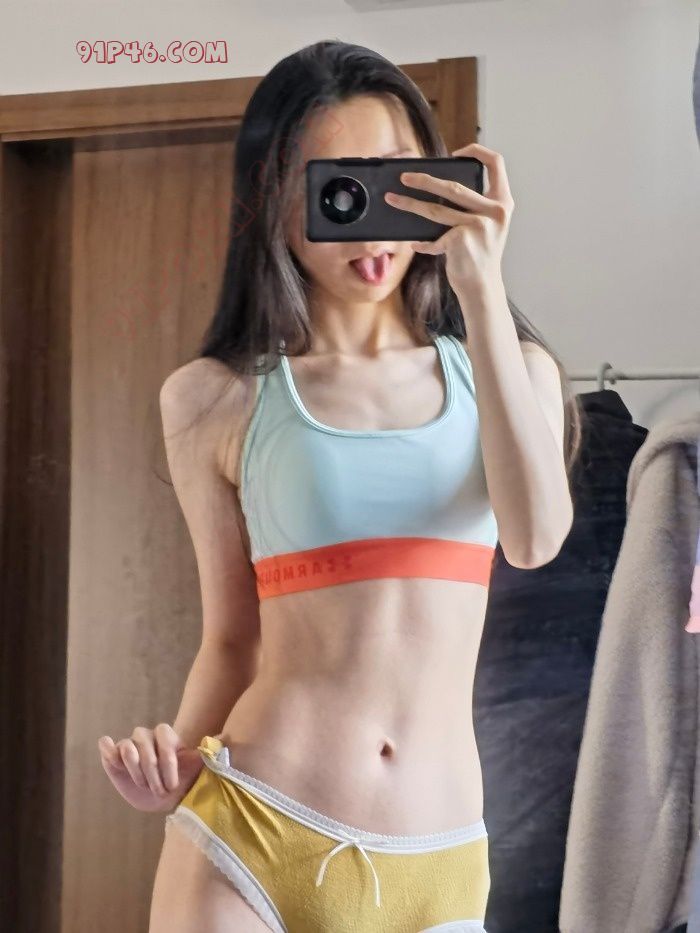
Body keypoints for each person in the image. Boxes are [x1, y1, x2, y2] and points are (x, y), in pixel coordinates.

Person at [98, 40, 580, 933]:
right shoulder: (214, 398)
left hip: (439, 855)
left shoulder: (514, 374)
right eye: (336, 189)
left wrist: (481, 285)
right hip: (253, 829)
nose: (373, 227)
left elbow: (534, 537)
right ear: (273, 201)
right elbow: (232, 638)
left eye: (395, 180)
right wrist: (175, 765)